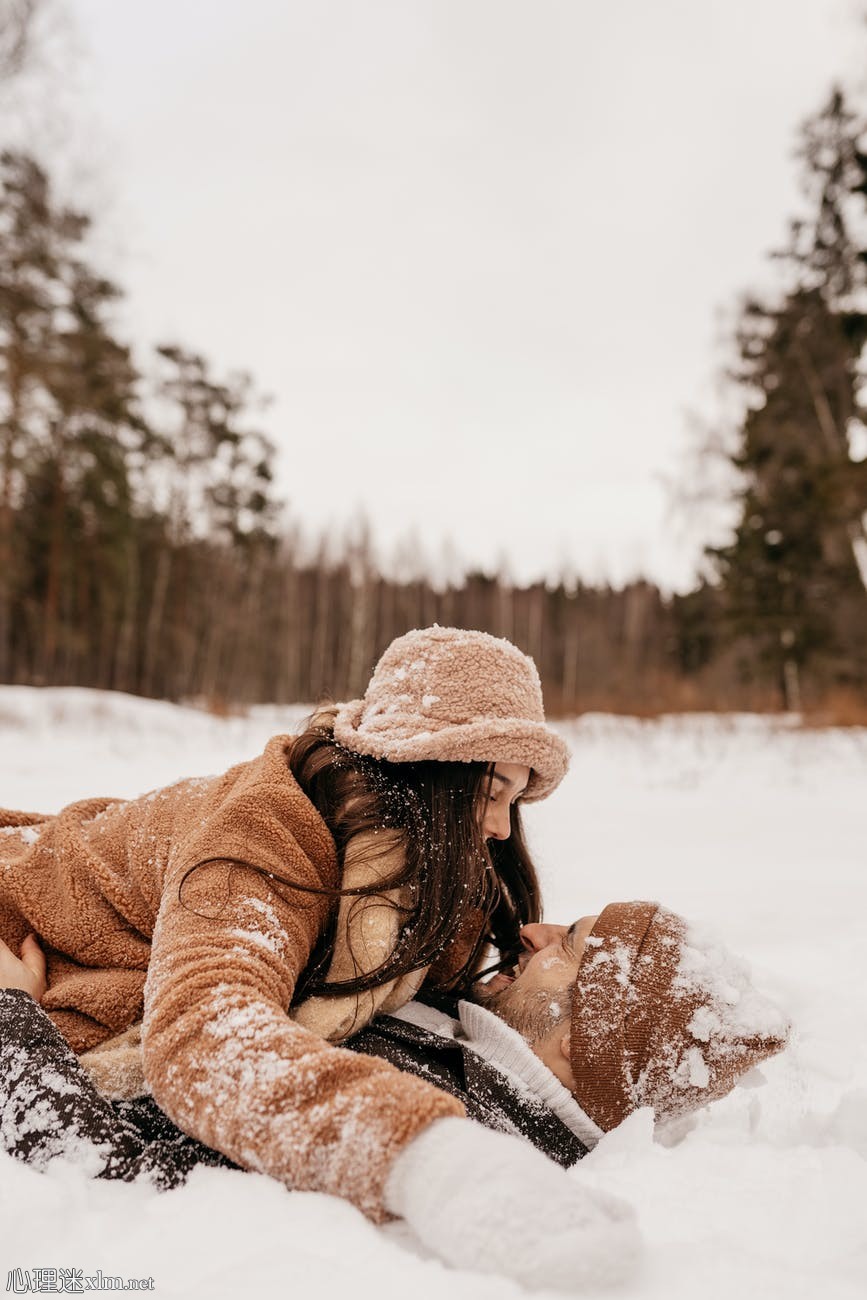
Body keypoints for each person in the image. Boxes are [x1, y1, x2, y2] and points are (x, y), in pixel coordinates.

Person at [0, 626, 638, 1292]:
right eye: (494, 792)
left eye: (515, 802)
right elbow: (208, 1036)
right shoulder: (270, 835)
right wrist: (431, 1159)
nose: (504, 829)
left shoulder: (413, 880)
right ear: (435, 771)